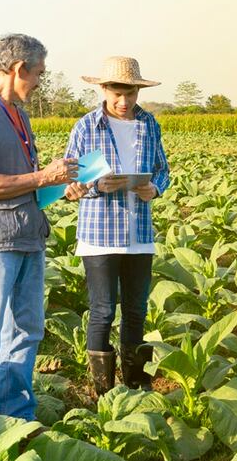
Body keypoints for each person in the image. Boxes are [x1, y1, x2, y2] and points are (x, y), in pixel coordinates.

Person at [0, 33, 86, 422]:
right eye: (38, 73)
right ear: (19, 69)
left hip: (27, 235)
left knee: (26, 333)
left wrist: (61, 183)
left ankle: (16, 420)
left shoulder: (18, 114)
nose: (40, 81)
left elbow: (26, 180)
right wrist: (44, 177)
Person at [66, 56, 170, 393]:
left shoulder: (148, 124)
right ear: (103, 89)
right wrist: (96, 186)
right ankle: (104, 391)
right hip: (99, 234)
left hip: (138, 232)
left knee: (137, 310)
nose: (124, 102)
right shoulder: (86, 126)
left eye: (131, 94)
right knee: (102, 311)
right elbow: (69, 181)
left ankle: (136, 382)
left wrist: (154, 188)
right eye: (117, 94)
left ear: (138, 91)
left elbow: (162, 169)